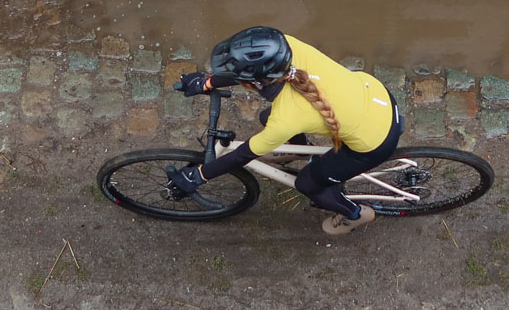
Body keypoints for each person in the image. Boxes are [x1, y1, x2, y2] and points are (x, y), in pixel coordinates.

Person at [168, 26, 402, 236]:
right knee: (266, 116)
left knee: (308, 185)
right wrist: (207, 83)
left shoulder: (287, 119)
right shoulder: (286, 45)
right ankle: (299, 151)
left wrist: (199, 175)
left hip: (375, 141)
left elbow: (241, 156)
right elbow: (249, 74)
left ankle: (355, 214)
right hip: (376, 97)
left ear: (261, 81)